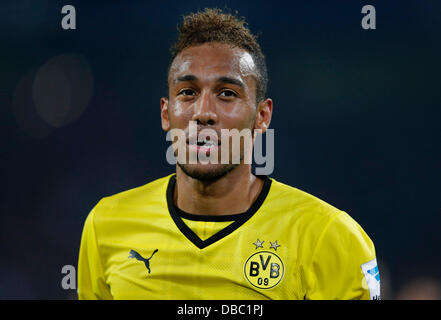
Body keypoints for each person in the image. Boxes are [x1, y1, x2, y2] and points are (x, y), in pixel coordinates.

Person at [78, 8, 380, 300]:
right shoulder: (106, 225)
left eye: (227, 94)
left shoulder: (328, 236)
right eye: (188, 92)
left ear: (262, 117)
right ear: (166, 114)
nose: (204, 112)